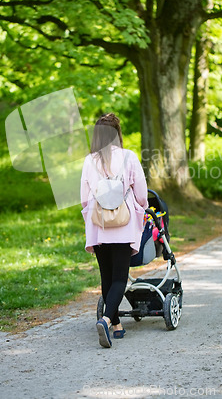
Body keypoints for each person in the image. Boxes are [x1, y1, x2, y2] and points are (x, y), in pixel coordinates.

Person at [80, 113, 148, 348]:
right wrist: (143, 208)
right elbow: (141, 193)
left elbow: (83, 198)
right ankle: (108, 319)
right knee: (119, 277)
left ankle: (116, 325)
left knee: (106, 276)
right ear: (118, 133)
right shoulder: (129, 158)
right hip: (123, 223)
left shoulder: (90, 161)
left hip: (98, 224)